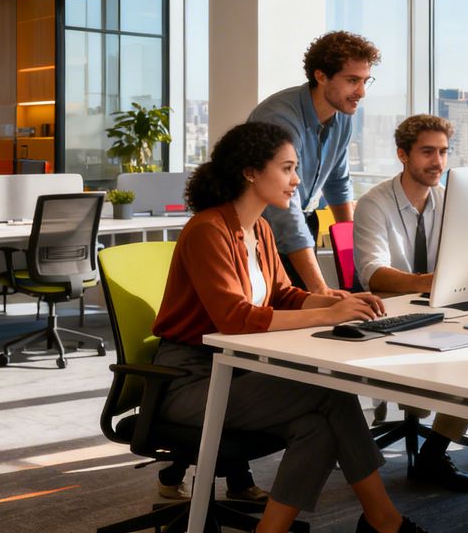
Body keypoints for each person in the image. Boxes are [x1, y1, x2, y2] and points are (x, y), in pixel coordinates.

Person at [150, 121, 427, 533]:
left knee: (315, 428)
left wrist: (334, 300)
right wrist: (328, 315)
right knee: (330, 392)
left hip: (235, 372)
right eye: (286, 168)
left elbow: (282, 294)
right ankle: (383, 521)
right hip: (188, 381)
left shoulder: (259, 228)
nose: (296, 180)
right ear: (250, 172)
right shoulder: (208, 230)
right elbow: (235, 318)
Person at [352, 114, 468, 493]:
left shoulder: (451, 200)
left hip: (440, 307)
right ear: (403, 155)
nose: (438, 162)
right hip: (392, 312)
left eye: (442, 152)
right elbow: (373, 274)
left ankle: (432, 454)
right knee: (463, 357)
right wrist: (431, 282)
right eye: (427, 152)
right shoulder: (375, 204)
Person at [250, 31, 381, 296]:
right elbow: (284, 209)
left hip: (301, 221)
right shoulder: (280, 118)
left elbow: (338, 182)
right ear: (321, 76)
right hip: (257, 228)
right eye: (353, 80)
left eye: (366, 81)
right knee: (284, 313)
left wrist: (353, 262)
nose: (362, 92)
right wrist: (321, 289)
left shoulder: (342, 115)